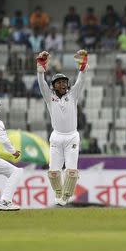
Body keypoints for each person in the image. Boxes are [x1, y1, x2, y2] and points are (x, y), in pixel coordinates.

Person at [37, 49, 87, 206]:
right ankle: (59, 192)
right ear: (54, 86)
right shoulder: (49, 97)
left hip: (72, 136)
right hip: (56, 137)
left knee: (71, 173)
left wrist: (83, 63)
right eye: (59, 83)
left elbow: (81, 79)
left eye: (64, 82)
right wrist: (41, 66)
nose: (63, 84)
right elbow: (41, 82)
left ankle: (66, 195)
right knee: (53, 173)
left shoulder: (72, 95)